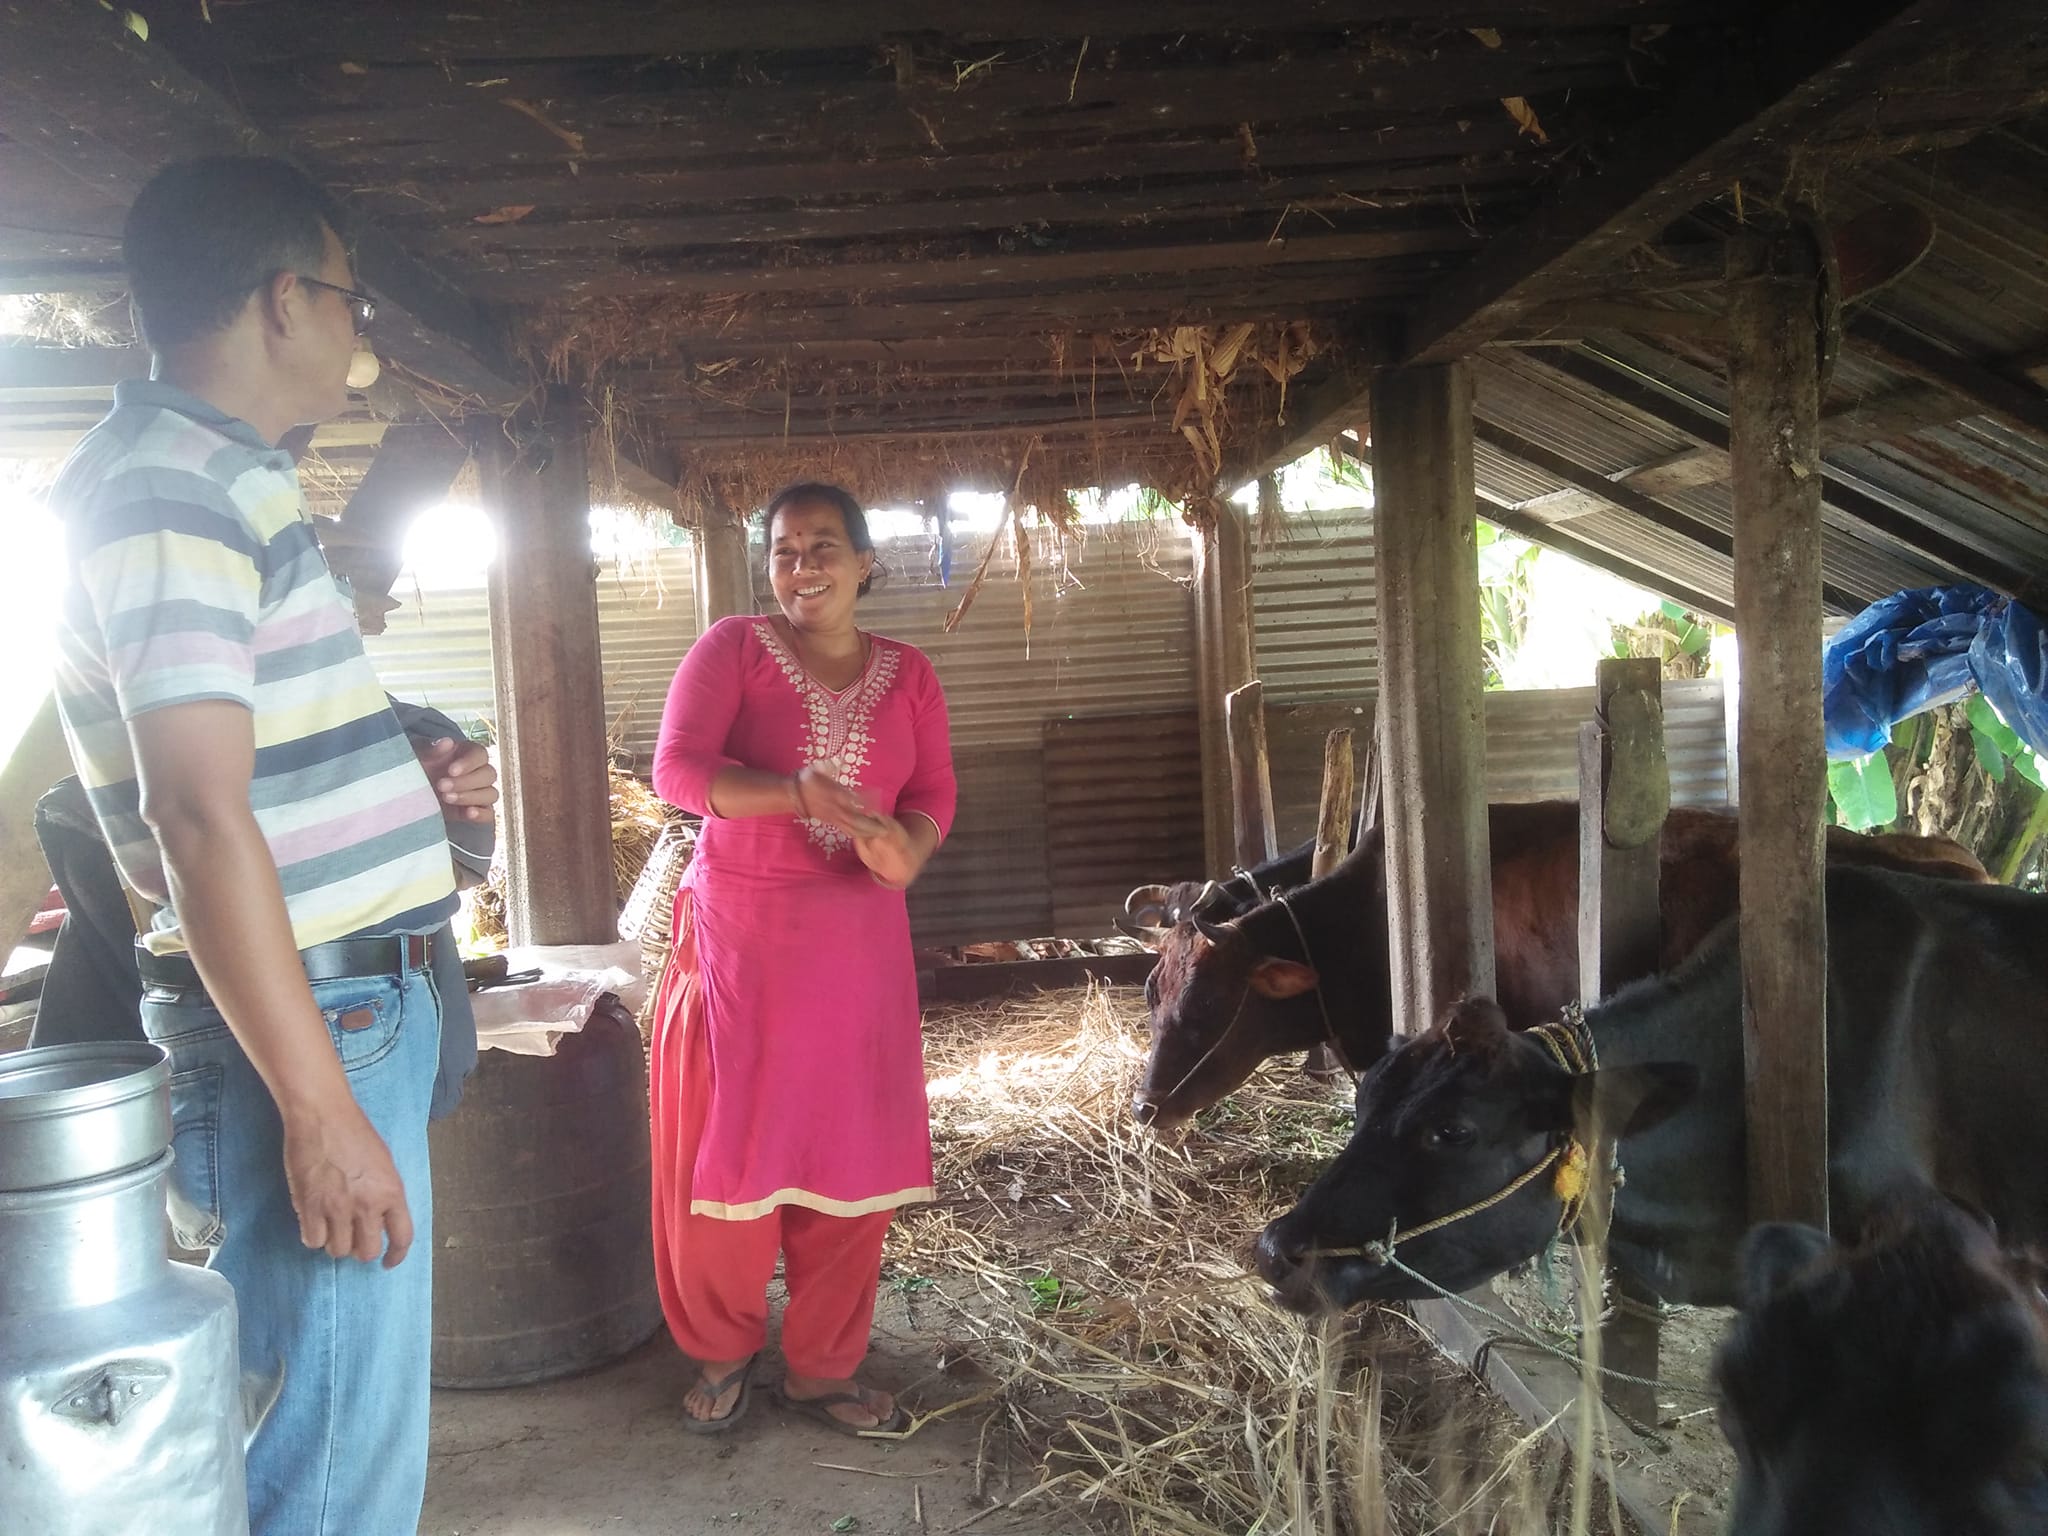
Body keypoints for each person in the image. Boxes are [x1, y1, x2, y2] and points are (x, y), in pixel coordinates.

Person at [46, 155, 490, 1535]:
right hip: (313, 1015)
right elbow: (191, 812)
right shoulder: (171, 488)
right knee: (330, 1458)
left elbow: (242, 766)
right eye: (353, 300)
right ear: (286, 297)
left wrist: (399, 771)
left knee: (335, 1426)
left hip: (340, 997)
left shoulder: (215, 479)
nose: (359, 332)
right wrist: (318, 1110)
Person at [649, 482, 956, 1434]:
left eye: (824, 546)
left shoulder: (910, 674)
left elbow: (935, 791)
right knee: (732, 1149)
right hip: (742, 945)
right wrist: (791, 793)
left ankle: (823, 1369)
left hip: (858, 949)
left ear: (865, 562)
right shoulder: (733, 648)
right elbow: (677, 770)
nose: (802, 565)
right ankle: (723, 1347)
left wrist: (910, 848)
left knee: (851, 1149)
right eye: (784, 550)